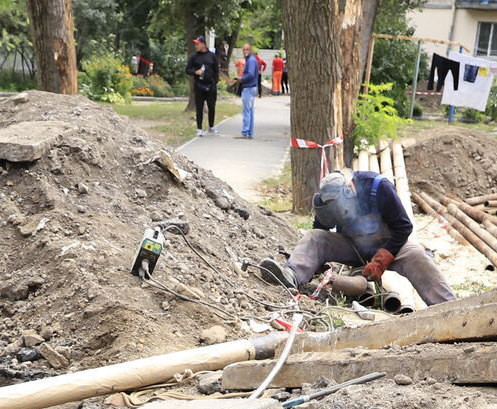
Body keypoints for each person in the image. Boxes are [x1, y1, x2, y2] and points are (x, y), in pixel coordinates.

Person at [257, 168, 455, 307]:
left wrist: (381, 259)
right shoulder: (328, 198)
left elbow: (403, 226)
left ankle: (447, 306)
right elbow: (321, 228)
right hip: (353, 246)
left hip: (389, 245)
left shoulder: (378, 187)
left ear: (349, 189)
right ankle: (291, 275)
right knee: (315, 237)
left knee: (417, 256)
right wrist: (317, 260)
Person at [185, 35, 218, 137]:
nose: (196, 46)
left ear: (203, 44)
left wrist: (214, 82)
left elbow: (216, 70)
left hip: (210, 86)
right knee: (199, 107)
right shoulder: (194, 56)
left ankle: (211, 127)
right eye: (195, 44)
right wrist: (195, 72)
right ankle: (199, 128)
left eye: (197, 44)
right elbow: (187, 70)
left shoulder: (212, 56)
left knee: (211, 106)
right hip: (199, 86)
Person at [236, 43, 262, 138]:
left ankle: (245, 132)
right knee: (250, 111)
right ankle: (250, 132)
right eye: (244, 50)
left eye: (247, 49)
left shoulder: (251, 60)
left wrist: (241, 79)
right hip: (252, 87)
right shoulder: (252, 59)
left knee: (246, 111)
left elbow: (250, 74)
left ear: (250, 50)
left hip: (249, 88)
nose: (245, 51)